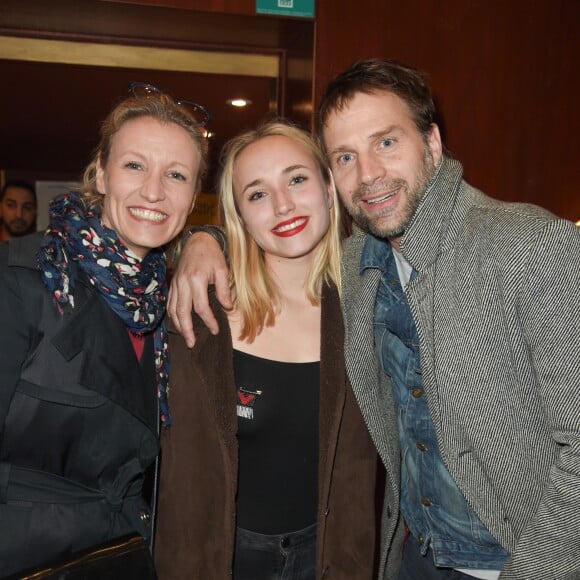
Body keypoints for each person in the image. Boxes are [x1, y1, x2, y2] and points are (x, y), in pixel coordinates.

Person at [168, 60, 580, 580]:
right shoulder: (364, 267)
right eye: (346, 156)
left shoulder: (528, 243)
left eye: (386, 142)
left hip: (517, 562)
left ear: (432, 142)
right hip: (407, 557)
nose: (368, 174)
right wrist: (203, 239)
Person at [154, 120, 378, 580]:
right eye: (257, 194)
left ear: (329, 188)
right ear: (239, 216)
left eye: (296, 179)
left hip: (330, 555)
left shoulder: (372, 303)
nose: (283, 205)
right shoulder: (200, 311)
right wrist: (200, 237)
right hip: (220, 556)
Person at [0, 83, 209, 576]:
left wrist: (208, 237)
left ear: (193, 196)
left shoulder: (169, 302)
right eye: (134, 165)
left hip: (116, 555)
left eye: (176, 174)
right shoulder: (25, 276)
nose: (154, 191)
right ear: (100, 174)